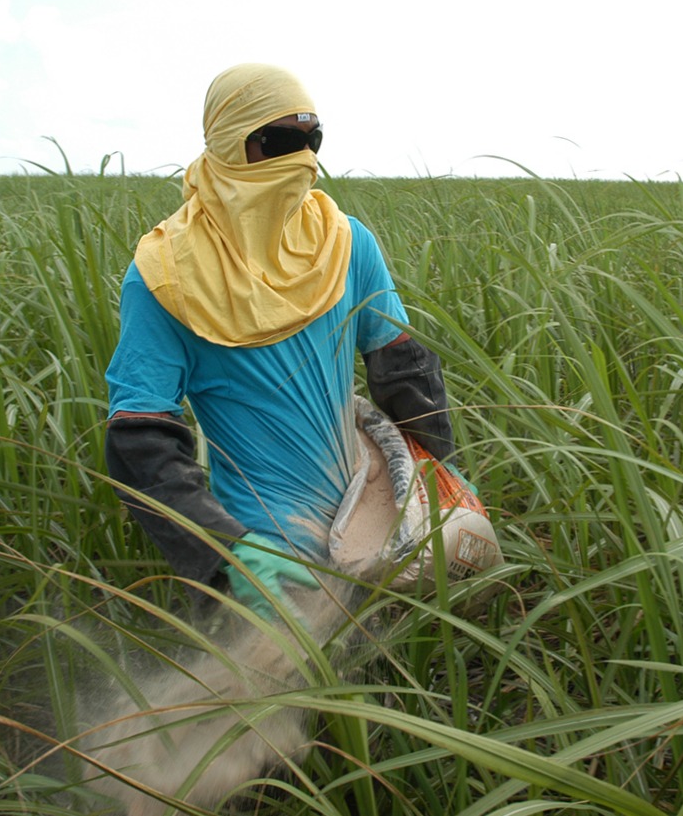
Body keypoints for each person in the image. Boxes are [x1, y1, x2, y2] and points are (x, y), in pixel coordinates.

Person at [103, 63, 455, 619]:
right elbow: (137, 440)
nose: (304, 160)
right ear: (227, 144)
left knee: (379, 689)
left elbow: (405, 375)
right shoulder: (165, 277)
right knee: (261, 698)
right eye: (280, 141)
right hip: (263, 560)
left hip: (369, 527)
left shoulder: (344, 243)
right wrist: (225, 550)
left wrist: (444, 480)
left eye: (312, 140)